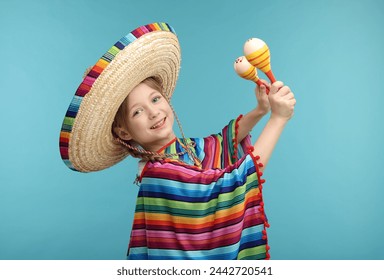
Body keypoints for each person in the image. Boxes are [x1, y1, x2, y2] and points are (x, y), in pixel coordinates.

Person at [59, 22, 296, 260]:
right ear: (124, 132)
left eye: (155, 99)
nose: (153, 112)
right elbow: (231, 184)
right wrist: (278, 118)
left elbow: (221, 143)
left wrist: (260, 110)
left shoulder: (184, 150)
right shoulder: (158, 174)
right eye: (137, 112)